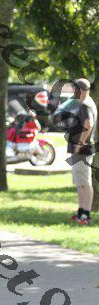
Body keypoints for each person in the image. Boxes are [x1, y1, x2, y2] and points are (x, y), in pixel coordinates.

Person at [67, 78, 97, 226]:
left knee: (85, 182)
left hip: (82, 150)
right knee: (80, 183)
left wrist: (80, 143)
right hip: (82, 149)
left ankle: (86, 214)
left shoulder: (85, 105)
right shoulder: (87, 103)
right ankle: (81, 211)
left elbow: (88, 124)